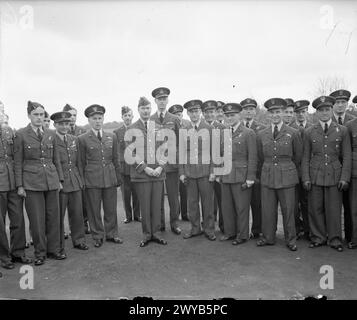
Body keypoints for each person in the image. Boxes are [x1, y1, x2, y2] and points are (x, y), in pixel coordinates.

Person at [14, 101, 65, 266]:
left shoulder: (51, 133)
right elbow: (18, 162)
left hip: (51, 180)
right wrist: (20, 185)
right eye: (35, 114)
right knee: (36, 220)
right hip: (31, 182)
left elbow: (56, 158)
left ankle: (54, 250)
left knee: (53, 217)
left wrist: (60, 180)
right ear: (29, 115)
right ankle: (40, 252)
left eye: (42, 114)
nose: (39, 117)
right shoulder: (21, 134)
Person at [302, 95, 351, 252]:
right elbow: (305, 157)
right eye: (321, 110)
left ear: (332, 110)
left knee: (334, 208)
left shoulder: (342, 130)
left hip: (334, 175)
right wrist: (306, 177)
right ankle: (318, 237)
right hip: (315, 174)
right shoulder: (310, 131)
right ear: (316, 112)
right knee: (315, 208)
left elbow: (347, 156)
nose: (324, 113)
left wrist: (345, 178)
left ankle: (335, 239)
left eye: (327, 109)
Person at [256, 98, 302, 251]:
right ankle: (268, 237)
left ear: (283, 113)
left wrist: (286, 169)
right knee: (268, 209)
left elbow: (298, 156)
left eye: (278, 112)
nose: (275, 115)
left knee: (288, 209)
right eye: (272, 112)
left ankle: (291, 239)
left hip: (287, 176)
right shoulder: (262, 134)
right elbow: (260, 156)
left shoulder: (293, 133)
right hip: (268, 175)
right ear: (268, 114)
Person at [78, 104, 122, 248]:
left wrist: (118, 177)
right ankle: (97, 235)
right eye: (94, 118)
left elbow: (116, 159)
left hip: (109, 177)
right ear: (89, 120)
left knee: (110, 209)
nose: (97, 121)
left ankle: (112, 234)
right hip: (92, 178)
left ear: (103, 119)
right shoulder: (83, 138)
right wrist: (83, 181)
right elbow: (81, 162)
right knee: (94, 209)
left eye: (100, 118)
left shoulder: (112, 136)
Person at [126, 97, 167, 247]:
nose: (146, 111)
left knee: (157, 205)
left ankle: (156, 234)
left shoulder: (158, 127)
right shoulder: (131, 129)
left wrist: (160, 167)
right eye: (143, 108)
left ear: (151, 109)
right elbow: (131, 152)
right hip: (142, 175)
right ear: (138, 110)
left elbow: (165, 149)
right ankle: (146, 234)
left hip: (157, 173)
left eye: (148, 108)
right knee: (145, 206)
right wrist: (146, 168)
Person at [219, 102, 257, 245]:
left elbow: (253, 157)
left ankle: (242, 235)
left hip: (241, 175)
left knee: (241, 207)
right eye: (227, 115)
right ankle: (230, 232)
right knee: (227, 207)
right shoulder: (223, 133)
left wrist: (250, 178)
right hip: (225, 175)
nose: (229, 118)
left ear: (239, 115)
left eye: (232, 115)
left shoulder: (248, 133)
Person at [51, 111, 89, 252]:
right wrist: (58, 180)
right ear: (55, 124)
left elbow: (79, 161)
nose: (64, 127)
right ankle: (58, 245)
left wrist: (81, 179)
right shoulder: (51, 139)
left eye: (67, 124)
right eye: (61, 124)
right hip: (60, 183)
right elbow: (54, 163)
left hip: (75, 181)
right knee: (58, 215)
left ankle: (79, 240)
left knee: (77, 214)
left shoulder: (74, 139)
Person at [180, 100, 216, 241]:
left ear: (200, 112)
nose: (194, 114)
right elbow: (181, 153)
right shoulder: (184, 129)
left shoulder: (209, 129)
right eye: (191, 112)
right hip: (190, 173)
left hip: (206, 173)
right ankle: (195, 229)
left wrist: (213, 171)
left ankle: (209, 230)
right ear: (188, 114)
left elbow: (215, 152)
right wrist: (182, 172)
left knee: (208, 203)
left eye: (196, 111)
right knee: (192, 204)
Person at [1, 119, 32, 270]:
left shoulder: (10, 131)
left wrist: (20, 183)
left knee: (18, 218)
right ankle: (3, 256)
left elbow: (18, 156)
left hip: (13, 180)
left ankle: (18, 252)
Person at [150, 87, 182, 235]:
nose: (162, 102)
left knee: (173, 197)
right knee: (158, 196)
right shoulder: (150, 120)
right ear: (155, 101)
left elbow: (179, 143)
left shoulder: (175, 119)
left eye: (164, 99)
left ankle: (175, 223)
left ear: (167, 100)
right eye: (159, 99)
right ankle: (160, 223)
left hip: (172, 165)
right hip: (156, 166)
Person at [330, 90, 355, 244]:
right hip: (331, 169)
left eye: (343, 102)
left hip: (349, 168)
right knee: (332, 205)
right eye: (337, 102)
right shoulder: (324, 119)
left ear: (347, 104)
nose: (340, 105)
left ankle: (350, 236)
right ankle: (331, 234)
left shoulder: (352, 121)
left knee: (350, 204)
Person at [240, 98, 266, 239]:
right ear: (242, 111)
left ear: (255, 111)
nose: (248, 111)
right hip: (241, 172)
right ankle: (241, 229)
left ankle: (257, 230)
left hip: (257, 172)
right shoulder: (237, 127)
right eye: (245, 109)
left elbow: (262, 152)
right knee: (241, 204)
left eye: (251, 109)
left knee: (257, 203)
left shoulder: (262, 128)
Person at [62, 104, 89, 234]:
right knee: (68, 204)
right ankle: (71, 229)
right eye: (70, 115)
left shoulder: (82, 130)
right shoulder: (61, 131)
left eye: (74, 115)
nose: (72, 118)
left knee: (83, 203)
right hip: (66, 173)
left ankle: (84, 225)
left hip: (81, 170)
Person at [289, 100, 313, 240]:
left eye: (303, 112)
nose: (300, 115)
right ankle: (296, 229)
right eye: (297, 112)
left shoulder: (313, 128)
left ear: (307, 112)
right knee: (293, 203)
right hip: (293, 172)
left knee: (307, 202)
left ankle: (309, 230)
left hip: (308, 172)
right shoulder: (290, 129)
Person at [114, 106, 140, 224]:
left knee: (136, 193)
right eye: (125, 116)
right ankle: (128, 216)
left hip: (135, 166)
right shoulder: (117, 132)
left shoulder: (137, 130)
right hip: (123, 167)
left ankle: (137, 215)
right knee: (126, 193)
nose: (127, 118)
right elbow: (116, 152)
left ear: (132, 116)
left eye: (129, 115)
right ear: (122, 117)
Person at [202, 100, 225, 233]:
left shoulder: (223, 129)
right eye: (207, 112)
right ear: (203, 114)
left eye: (212, 112)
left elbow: (224, 152)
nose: (209, 115)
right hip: (205, 170)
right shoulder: (200, 128)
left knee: (222, 200)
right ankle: (207, 225)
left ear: (216, 113)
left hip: (219, 170)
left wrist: (218, 171)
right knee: (206, 200)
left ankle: (223, 225)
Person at [168, 104, 189, 221]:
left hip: (185, 163)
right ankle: (176, 214)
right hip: (172, 163)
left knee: (185, 190)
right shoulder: (170, 127)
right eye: (176, 115)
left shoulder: (187, 126)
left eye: (180, 114)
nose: (179, 117)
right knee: (174, 193)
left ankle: (185, 214)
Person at [346, 112, 357, 249]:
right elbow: (347, 153)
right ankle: (355, 239)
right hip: (355, 172)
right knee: (354, 208)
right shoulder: (350, 126)